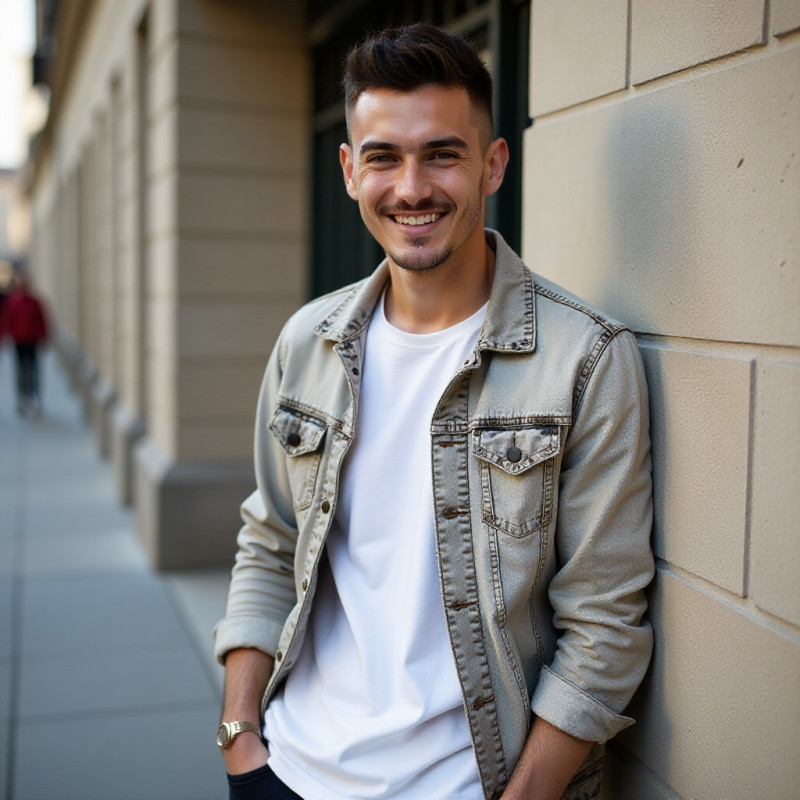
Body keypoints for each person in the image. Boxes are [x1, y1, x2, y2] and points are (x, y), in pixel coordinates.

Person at [214, 23, 654, 800]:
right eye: (383, 156)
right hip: (290, 770)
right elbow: (271, 540)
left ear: (493, 165)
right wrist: (241, 740)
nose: (411, 187)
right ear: (350, 171)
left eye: (442, 154)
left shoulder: (583, 359)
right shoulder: (306, 344)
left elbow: (604, 630)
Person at [2, 271, 49, 416]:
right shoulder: (12, 301)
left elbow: (42, 320)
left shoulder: (34, 301)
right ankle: (22, 398)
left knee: (33, 369)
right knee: (20, 370)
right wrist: (3, 337)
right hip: (18, 340)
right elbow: (6, 320)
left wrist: (44, 336)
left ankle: (34, 397)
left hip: (32, 340)